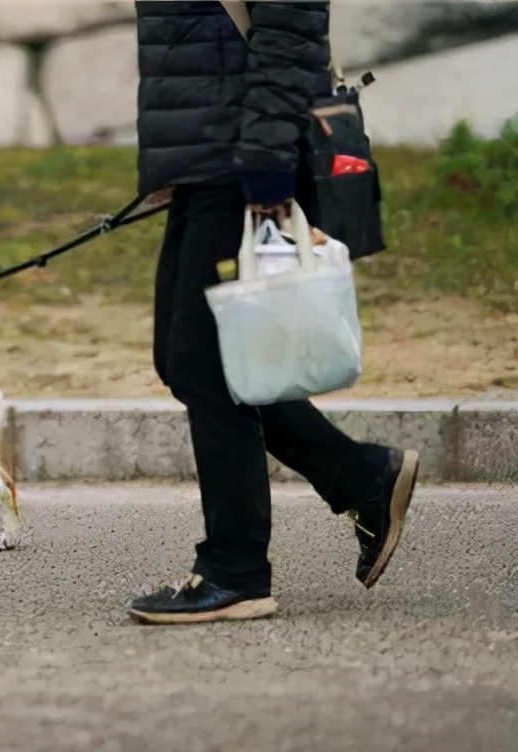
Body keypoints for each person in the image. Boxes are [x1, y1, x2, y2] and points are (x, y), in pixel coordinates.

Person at [126, 0, 420, 624]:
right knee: (182, 360)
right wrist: (168, 157)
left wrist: (264, 168)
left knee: (207, 368)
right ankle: (362, 476)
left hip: (244, 153)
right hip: (207, 153)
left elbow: (289, 31)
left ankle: (235, 571)